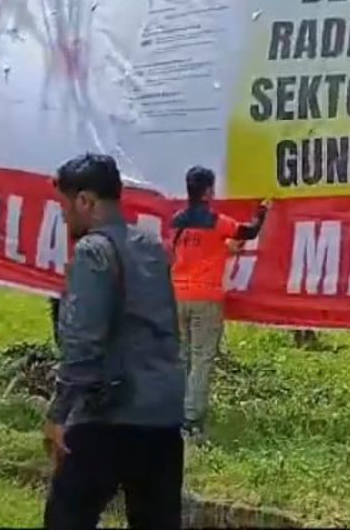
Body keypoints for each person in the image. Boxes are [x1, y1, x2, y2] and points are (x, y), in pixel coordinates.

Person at [43, 153, 185, 530]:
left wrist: (59, 415)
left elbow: (82, 342)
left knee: (67, 517)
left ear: (86, 201)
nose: (64, 216)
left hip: (110, 414)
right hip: (163, 413)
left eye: (65, 205)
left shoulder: (93, 252)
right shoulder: (153, 247)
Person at [168, 166, 270, 443]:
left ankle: (174, 414)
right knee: (202, 358)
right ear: (208, 191)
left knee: (182, 357)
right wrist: (262, 211)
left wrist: (223, 248)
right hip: (206, 298)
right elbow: (248, 232)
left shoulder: (176, 221)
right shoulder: (215, 221)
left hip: (177, 296)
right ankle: (191, 422)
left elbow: (189, 251)